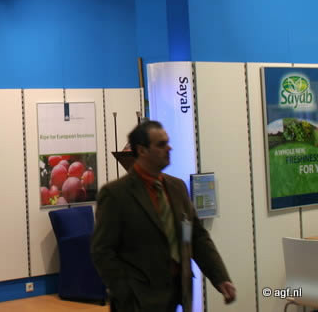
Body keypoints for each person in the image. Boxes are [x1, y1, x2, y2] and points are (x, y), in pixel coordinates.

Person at [91, 120, 236, 312]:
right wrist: (125, 292)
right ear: (142, 150)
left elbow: (196, 237)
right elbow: (102, 251)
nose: (169, 148)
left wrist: (220, 278)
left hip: (178, 294)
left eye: (167, 142)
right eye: (161, 144)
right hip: (138, 301)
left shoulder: (177, 187)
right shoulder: (116, 194)